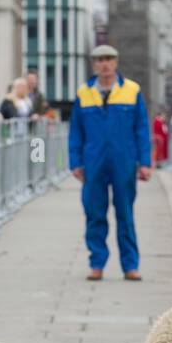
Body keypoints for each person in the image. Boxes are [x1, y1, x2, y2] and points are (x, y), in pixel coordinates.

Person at [69, 44, 151, 281]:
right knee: (94, 213)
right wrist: (76, 162)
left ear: (115, 62)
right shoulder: (84, 93)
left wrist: (144, 161)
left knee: (125, 213)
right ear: (94, 64)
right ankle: (97, 263)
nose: (105, 64)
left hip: (123, 160)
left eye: (109, 59)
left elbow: (142, 129)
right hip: (93, 161)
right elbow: (76, 131)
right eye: (100, 60)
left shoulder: (132, 91)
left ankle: (130, 265)